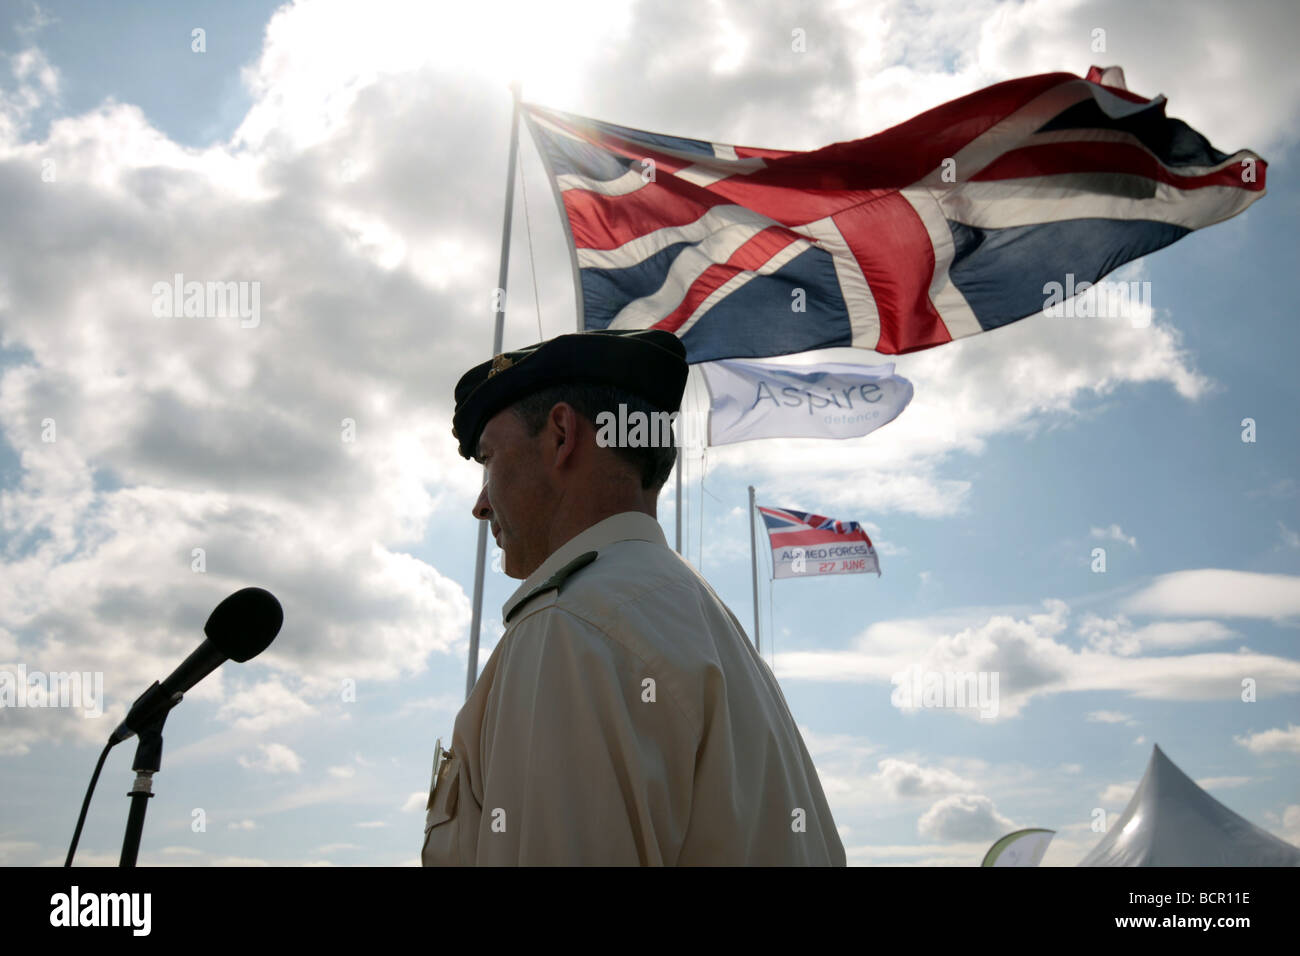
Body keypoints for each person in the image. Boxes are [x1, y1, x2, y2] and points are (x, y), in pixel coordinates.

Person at [422, 328, 845, 865]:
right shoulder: (701, 622)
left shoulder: (568, 625)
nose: (481, 505)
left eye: (488, 458)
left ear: (559, 435)